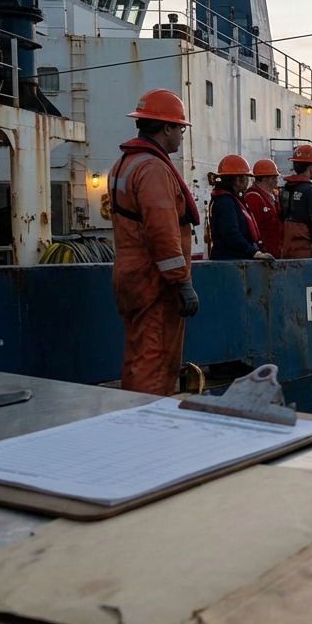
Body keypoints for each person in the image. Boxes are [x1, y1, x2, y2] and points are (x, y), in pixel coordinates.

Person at [108, 88, 202, 396]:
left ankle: (134, 419)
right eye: (180, 129)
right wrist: (182, 282)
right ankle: (148, 427)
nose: (181, 136)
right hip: (154, 281)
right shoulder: (153, 169)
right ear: (166, 128)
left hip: (129, 273)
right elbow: (162, 231)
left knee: (136, 356)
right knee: (156, 360)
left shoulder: (125, 163)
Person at [208, 155, 272, 261]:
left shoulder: (231, 200)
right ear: (238, 180)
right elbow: (231, 234)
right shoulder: (226, 202)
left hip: (234, 259)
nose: (248, 182)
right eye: (246, 178)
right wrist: (253, 252)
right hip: (229, 262)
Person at [243, 158, 283, 258]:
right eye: (273, 177)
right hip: (264, 255)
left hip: (274, 253)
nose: (276, 180)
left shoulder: (273, 196)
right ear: (265, 178)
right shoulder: (253, 198)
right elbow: (251, 229)